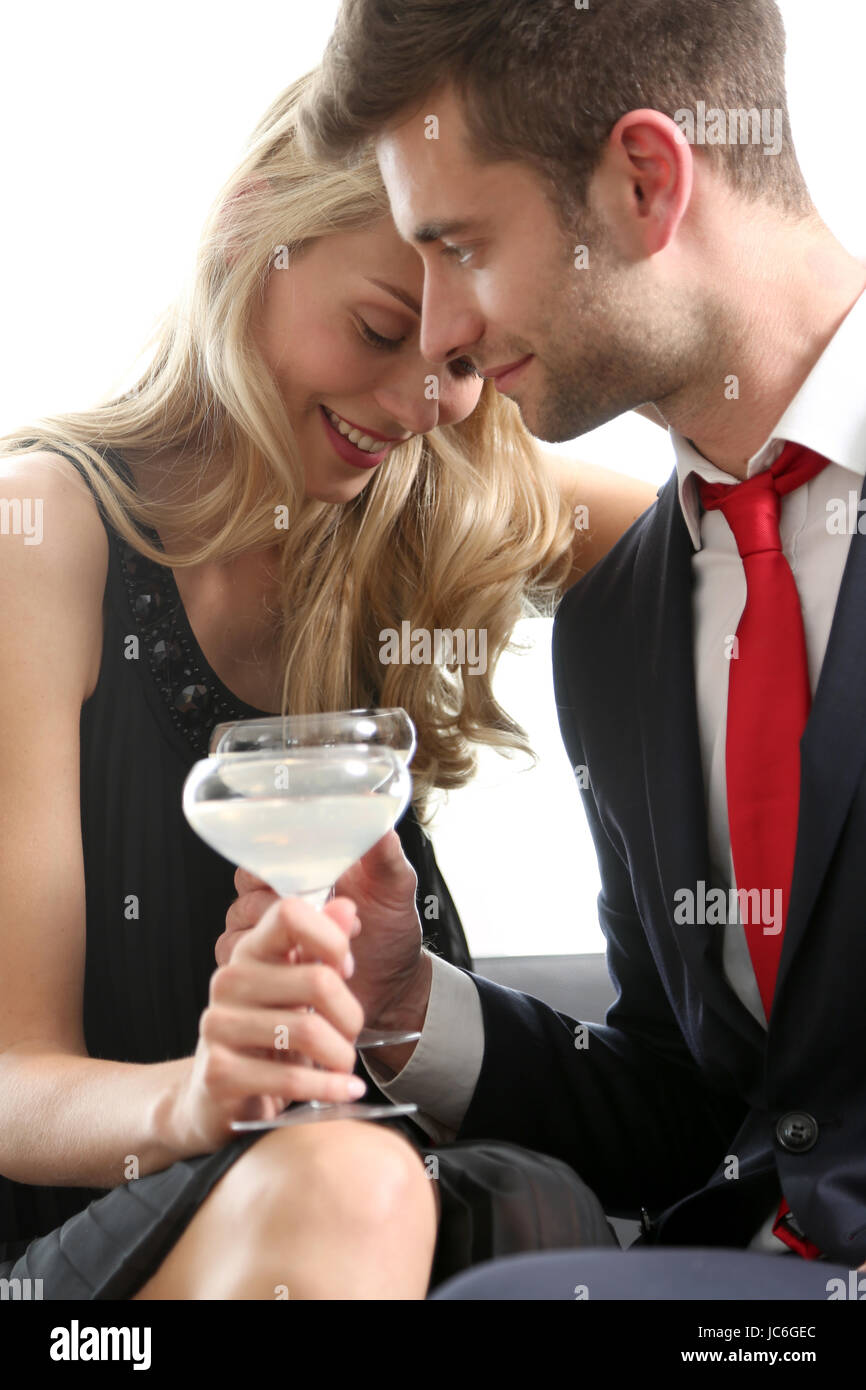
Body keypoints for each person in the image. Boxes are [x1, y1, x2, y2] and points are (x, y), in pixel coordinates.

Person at [0, 69, 653, 1299]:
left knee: (526, 1200)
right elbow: (9, 1077)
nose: (417, 404)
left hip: (412, 1199)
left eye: (463, 359)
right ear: (255, 231)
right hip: (102, 1265)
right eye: (374, 328)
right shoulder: (40, 540)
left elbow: (730, 534)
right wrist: (201, 1098)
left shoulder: (433, 498)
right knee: (352, 1181)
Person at [287, 0, 866, 1297]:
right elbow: (681, 1108)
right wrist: (398, 997)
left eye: (458, 245)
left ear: (645, 182)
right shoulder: (617, 626)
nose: (440, 336)